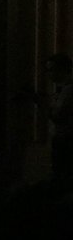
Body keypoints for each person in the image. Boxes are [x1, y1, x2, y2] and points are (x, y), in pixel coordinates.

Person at [44, 53, 73, 184]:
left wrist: (42, 105)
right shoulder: (61, 90)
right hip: (62, 139)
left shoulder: (68, 90)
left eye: (51, 70)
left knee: (61, 176)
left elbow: (58, 116)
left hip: (65, 140)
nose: (49, 74)